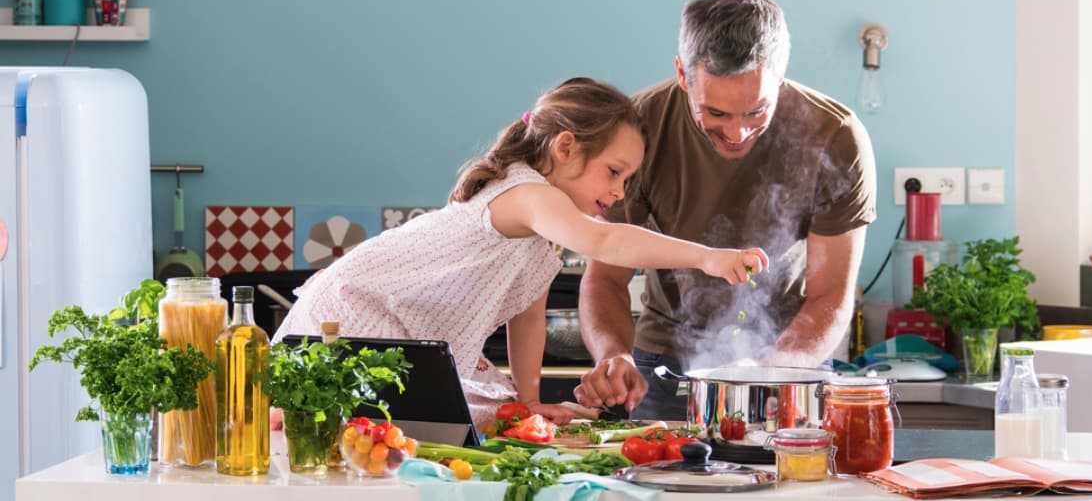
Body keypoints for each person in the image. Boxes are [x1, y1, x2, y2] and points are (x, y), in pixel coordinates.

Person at [275, 77, 768, 430]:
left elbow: (527, 319)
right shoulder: (529, 194)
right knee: (357, 426)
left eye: (627, 179)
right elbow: (606, 241)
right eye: (614, 172)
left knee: (489, 416)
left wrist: (530, 399)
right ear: (566, 148)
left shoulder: (544, 232)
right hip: (356, 311)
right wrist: (708, 257)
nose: (620, 192)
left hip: (398, 332)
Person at [574, 0, 877, 421]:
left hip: (789, 359)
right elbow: (605, 275)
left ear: (780, 76)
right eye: (714, 113)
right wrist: (612, 356)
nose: (736, 133)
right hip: (664, 364)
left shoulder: (836, 136)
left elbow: (830, 295)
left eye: (757, 112)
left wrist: (772, 372)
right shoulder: (638, 128)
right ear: (682, 73)